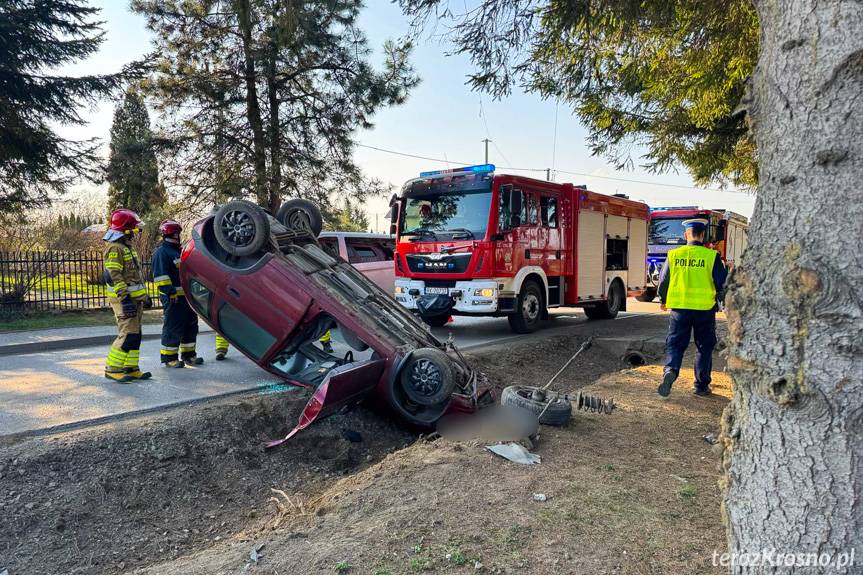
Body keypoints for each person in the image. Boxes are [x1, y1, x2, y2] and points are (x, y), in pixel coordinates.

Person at [656, 218, 728, 397]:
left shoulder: (673, 255)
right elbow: (723, 283)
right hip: (704, 309)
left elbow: (663, 282)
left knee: (675, 344)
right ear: (703, 235)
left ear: (685, 235)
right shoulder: (711, 256)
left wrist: (664, 299)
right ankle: (701, 386)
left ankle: (670, 371)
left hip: (679, 310)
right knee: (704, 346)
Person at [103, 209, 152, 383]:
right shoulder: (115, 248)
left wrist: (144, 297)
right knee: (128, 334)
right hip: (124, 300)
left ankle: (130, 368)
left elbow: (134, 277)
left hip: (134, 300)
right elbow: (115, 276)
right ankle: (112, 368)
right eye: (134, 228)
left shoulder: (126, 247)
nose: (136, 232)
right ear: (125, 229)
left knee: (136, 335)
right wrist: (124, 299)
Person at [152, 219, 204, 368]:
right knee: (173, 327)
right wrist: (171, 292)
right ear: (168, 233)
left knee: (190, 326)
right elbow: (161, 277)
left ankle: (189, 356)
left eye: (178, 233)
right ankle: (169, 358)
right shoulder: (162, 252)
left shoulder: (178, 251)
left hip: (187, 298)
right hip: (174, 298)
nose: (177, 236)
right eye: (175, 233)